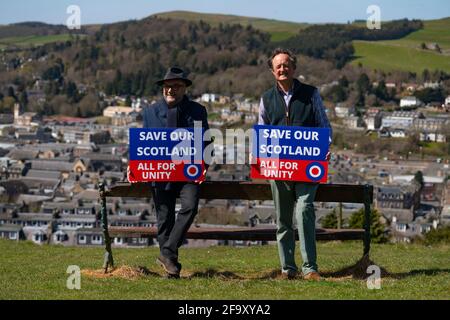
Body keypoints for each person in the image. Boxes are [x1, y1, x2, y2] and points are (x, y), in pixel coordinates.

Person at [258, 48, 332, 280]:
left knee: (305, 211)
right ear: (272, 71)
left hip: (307, 164)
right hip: (278, 167)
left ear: (294, 68)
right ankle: (288, 268)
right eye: (278, 66)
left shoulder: (311, 94)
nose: (283, 68)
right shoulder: (266, 99)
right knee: (282, 218)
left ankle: (310, 267)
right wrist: (258, 156)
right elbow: (262, 131)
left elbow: (324, 125)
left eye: (286, 64)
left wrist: (326, 147)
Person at [137, 66, 211, 278]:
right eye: (167, 87)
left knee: (190, 206)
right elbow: (144, 143)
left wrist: (203, 166)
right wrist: (135, 165)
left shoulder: (198, 111)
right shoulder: (150, 112)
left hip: (189, 173)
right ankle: (172, 267)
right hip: (160, 173)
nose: (171, 90)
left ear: (185, 89)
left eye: (176, 87)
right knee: (164, 219)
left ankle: (167, 252)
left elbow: (206, 142)